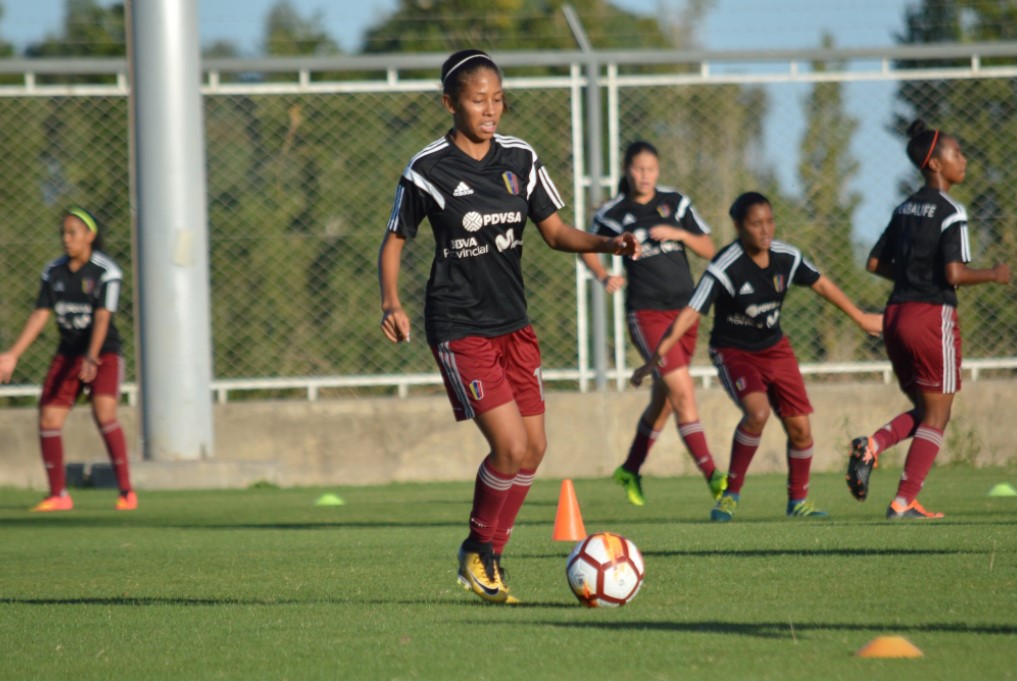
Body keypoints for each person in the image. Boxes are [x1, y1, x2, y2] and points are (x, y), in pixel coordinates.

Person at [378, 49, 640, 604]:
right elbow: (395, 238)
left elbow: (556, 232)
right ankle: (480, 550)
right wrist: (391, 303)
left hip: (513, 324)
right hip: (458, 324)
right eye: (478, 100)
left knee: (535, 447)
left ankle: (491, 551)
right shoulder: (427, 168)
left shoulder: (520, 157)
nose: (490, 109)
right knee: (510, 444)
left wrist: (608, 243)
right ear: (450, 103)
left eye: (497, 98)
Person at [632, 191, 882, 522]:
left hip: (775, 349)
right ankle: (730, 496)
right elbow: (691, 313)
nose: (765, 231)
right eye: (755, 224)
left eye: (770, 222)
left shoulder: (786, 257)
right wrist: (654, 359)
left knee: (801, 429)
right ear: (738, 226)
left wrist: (861, 317)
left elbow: (822, 285)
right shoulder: (726, 264)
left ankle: (798, 502)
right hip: (733, 351)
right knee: (758, 412)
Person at [846, 120, 1010, 520]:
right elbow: (953, 274)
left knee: (926, 409)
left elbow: (873, 262)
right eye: (957, 154)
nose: (964, 160)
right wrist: (994, 274)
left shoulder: (903, 208)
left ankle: (872, 446)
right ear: (935, 164)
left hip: (896, 315)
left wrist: (909, 277)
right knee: (939, 414)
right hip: (930, 316)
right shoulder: (951, 210)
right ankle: (904, 501)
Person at [580, 140, 725, 507]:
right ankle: (715, 477)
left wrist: (680, 234)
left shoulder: (675, 203)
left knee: (664, 401)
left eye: (651, 169)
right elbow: (585, 245)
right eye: (639, 169)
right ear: (627, 169)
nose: (645, 176)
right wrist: (603, 275)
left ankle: (630, 468)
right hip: (646, 314)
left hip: (686, 312)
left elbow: (710, 249)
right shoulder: (614, 212)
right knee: (683, 392)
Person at [0, 207, 136, 512]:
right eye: (63, 232)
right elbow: (40, 314)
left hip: (102, 352)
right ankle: (58, 494)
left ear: (90, 235)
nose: (66, 238)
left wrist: (92, 356)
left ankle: (126, 490)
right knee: (49, 417)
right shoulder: (53, 272)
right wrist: (12, 354)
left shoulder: (106, 271)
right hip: (68, 353)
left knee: (104, 414)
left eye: (73, 232)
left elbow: (102, 318)